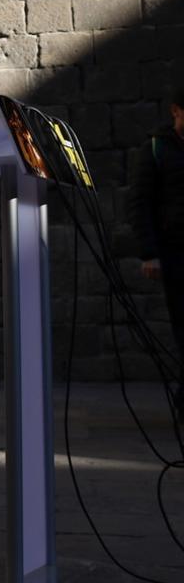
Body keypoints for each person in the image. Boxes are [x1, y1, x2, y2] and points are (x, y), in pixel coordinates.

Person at [128, 85, 184, 420]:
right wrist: (149, 252)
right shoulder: (155, 150)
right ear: (176, 111)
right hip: (177, 253)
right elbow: (140, 204)